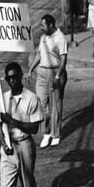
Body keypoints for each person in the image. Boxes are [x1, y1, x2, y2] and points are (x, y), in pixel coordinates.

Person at [0, 62, 44, 187]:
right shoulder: (3, 99)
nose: (12, 80)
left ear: (21, 76)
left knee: (27, 182)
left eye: (15, 76)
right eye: (9, 78)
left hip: (25, 145)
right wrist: (4, 144)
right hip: (8, 148)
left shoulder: (31, 98)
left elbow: (34, 128)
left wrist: (12, 121)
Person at [27, 14, 68, 148]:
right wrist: (31, 69)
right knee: (41, 104)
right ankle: (46, 132)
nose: (41, 28)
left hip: (55, 72)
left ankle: (56, 134)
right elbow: (39, 54)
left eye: (42, 25)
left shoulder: (60, 38)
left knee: (56, 105)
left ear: (50, 25)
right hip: (42, 73)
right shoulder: (44, 37)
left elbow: (63, 59)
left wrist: (57, 77)